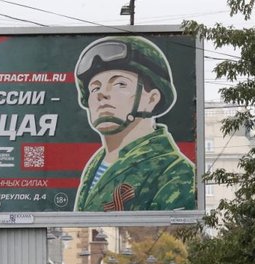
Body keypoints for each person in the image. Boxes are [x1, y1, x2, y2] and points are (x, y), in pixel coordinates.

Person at [72, 36, 196, 212]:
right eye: (95, 88)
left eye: (120, 84)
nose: (102, 94)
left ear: (151, 99)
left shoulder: (175, 173)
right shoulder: (95, 164)